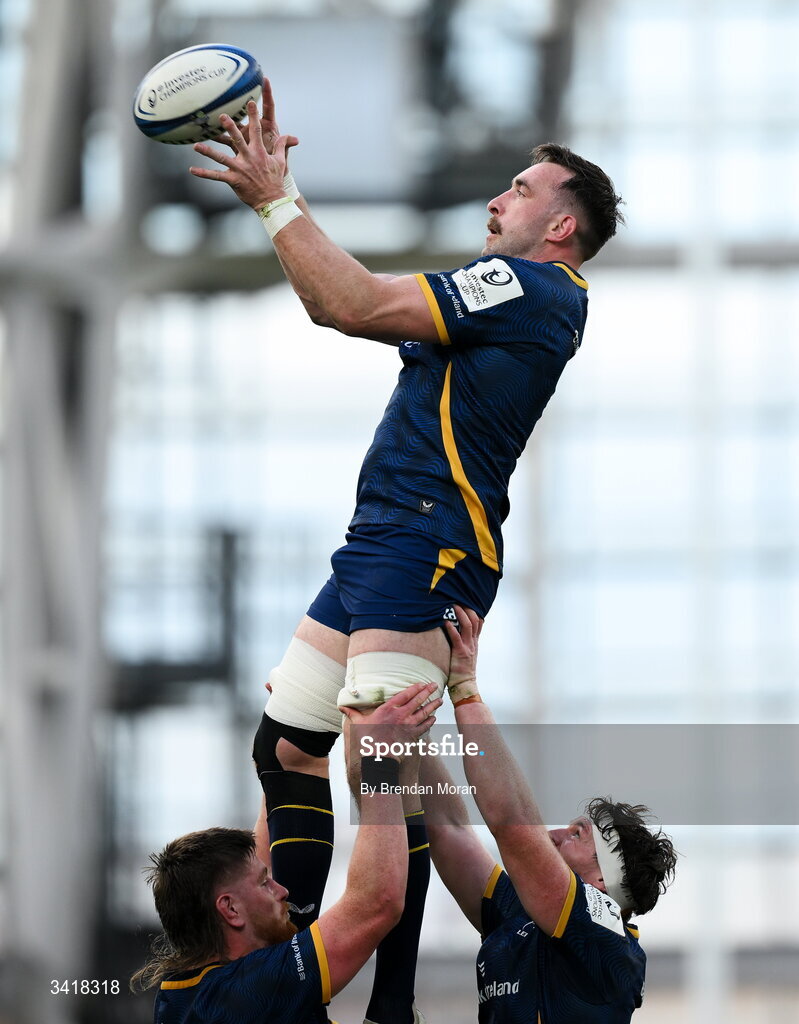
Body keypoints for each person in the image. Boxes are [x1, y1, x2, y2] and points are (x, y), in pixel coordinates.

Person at [188, 78, 624, 1024]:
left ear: (561, 227)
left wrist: (274, 196)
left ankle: (384, 1005)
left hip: (429, 540)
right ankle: (296, 939)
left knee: (382, 773)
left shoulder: (530, 283)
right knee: (290, 748)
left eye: (521, 187)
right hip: (379, 538)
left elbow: (348, 304)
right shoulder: (509, 288)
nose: (498, 197)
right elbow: (343, 302)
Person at [417, 607, 678, 1022]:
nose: (555, 833)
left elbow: (511, 823)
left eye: (578, 834)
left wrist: (465, 688)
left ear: (600, 883)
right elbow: (448, 830)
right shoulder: (522, 910)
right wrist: (408, 726)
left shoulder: (605, 940)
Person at [130, 682, 441, 1023]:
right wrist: (379, 760)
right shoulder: (248, 993)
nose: (281, 889)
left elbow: (256, 858)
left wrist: (278, 760)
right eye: (265, 884)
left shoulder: (184, 992)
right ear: (230, 909)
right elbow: (377, 903)